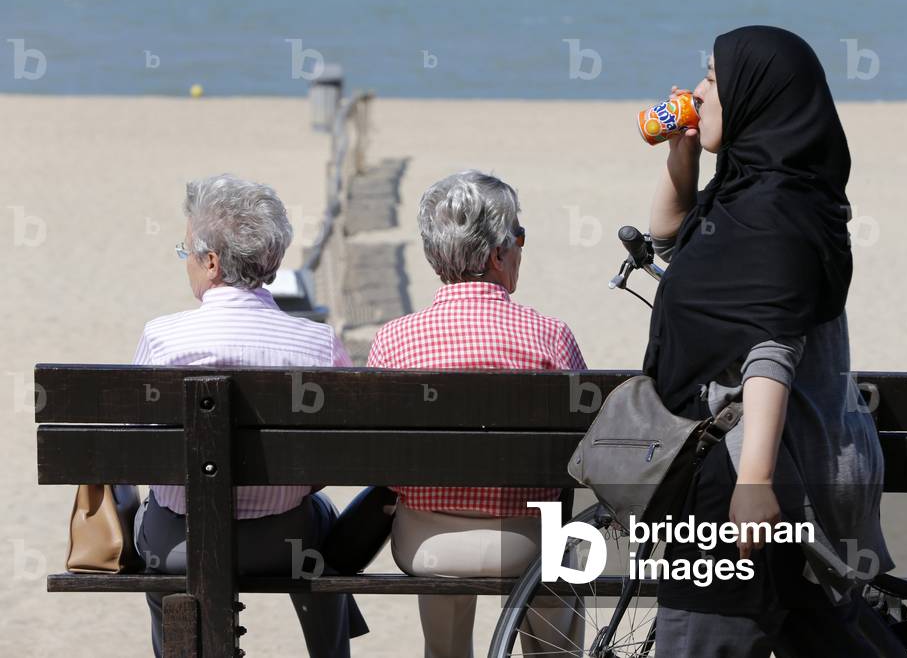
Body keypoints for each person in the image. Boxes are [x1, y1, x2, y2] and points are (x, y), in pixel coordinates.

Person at [643, 26, 901, 656]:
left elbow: (771, 346)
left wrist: (753, 482)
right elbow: (669, 235)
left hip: (749, 474)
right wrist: (683, 153)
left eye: (712, 79)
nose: (698, 93)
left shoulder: (778, 212)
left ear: (755, 97)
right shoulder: (749, 190)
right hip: (727, 465)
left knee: (708, 638)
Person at [131, 174, 368, 658]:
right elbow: (343, 453)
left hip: (178, 545)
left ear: (212, 262)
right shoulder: (317, 343)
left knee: (151, 542)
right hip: (282, 541)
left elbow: (137, 450)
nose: (187, 264)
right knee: (324, 531)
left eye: (187, 252)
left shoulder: (162, 339)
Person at [365, 170, 585, 658]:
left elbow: (376, 457)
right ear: (496, 254)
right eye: (519, 237)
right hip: (528, 541)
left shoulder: (394, 339)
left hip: (427, 543)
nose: (521, 250)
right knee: (564, 556)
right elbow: (582, 446)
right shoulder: (550, 336)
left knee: (444, 641)